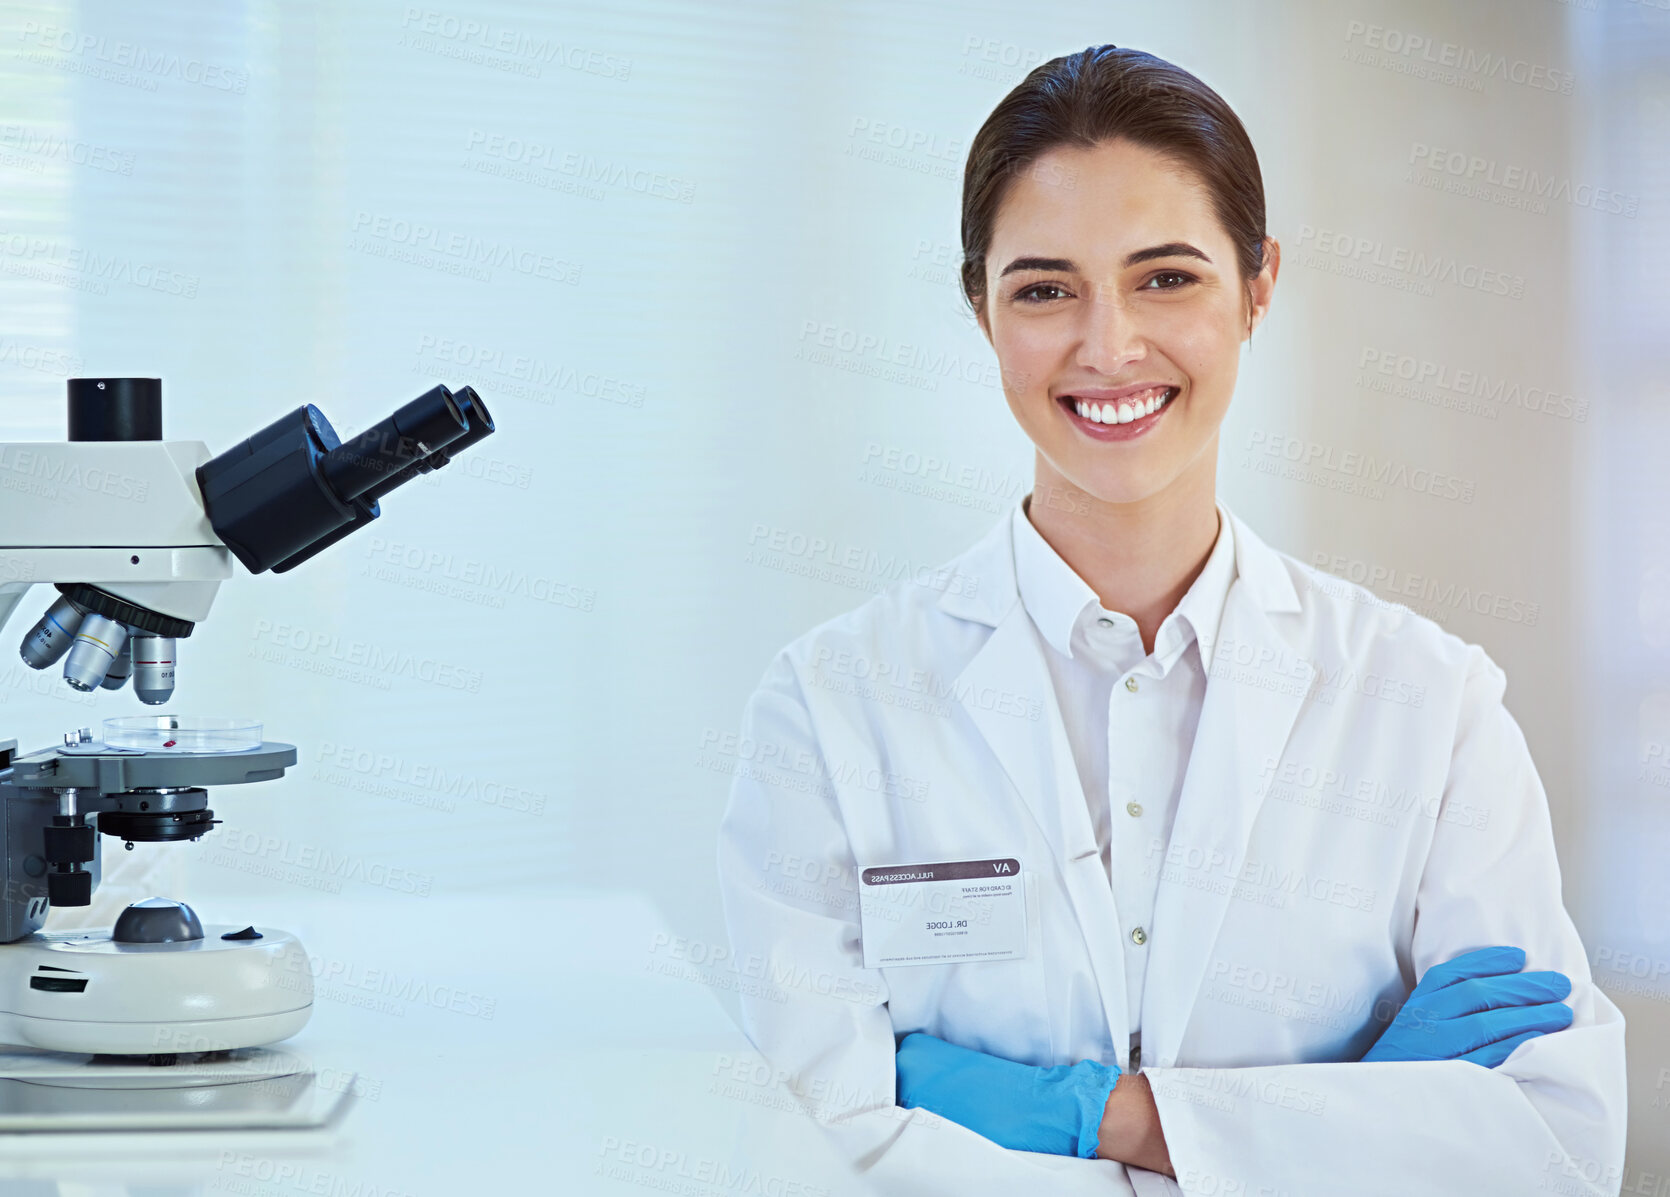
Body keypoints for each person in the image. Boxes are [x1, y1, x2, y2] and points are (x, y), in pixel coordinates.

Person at [716, 45, 1626, 1196]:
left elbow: (1553, 1147)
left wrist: (1102, 1117)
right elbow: (827, 1149)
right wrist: (1345, 1128)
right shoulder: (832, 707)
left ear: (1257, 286)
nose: (1107, 348)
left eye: (1166, 278)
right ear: (980, 311)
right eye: (1043, 289)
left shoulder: (1429, 706)